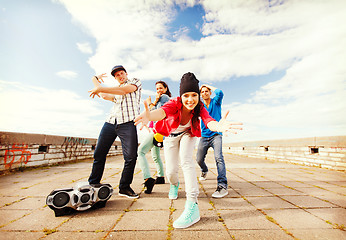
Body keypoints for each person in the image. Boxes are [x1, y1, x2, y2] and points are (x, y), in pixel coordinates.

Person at [134, 72, 242, 228]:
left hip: (188, 133)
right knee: (171, 171)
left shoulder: (199, 106)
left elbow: (208, 120)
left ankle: (192, 205)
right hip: (171, 134)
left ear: (198, 95)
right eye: (186, 95)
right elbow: (162, 112)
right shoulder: (174, 103)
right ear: (181, 96)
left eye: (194, 95)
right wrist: (150, 116)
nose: (190, 99)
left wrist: (218, 126)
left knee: (186, 161)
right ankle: (174, 184)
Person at [88, 65, 142, 199]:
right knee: (99, 153)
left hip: (128, 123)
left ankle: (124, 187)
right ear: (115, 78)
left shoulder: (135, 81)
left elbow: (124, 90)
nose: (120, 76)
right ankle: (93, 183)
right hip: (111, 122)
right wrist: (94, 79)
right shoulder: (115, 91)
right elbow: (104, 95)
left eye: (122, 73)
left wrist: (100, 87)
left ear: (126, 73)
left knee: (130, 157)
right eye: (117, 75)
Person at [138, 81, 172, 194]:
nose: (159, 91)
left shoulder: (164, 97)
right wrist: (153, 103)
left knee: (141, 151)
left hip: (159, 130)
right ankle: (161, 176)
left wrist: (152, 104)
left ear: (166, 88)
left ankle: (148, 179)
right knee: (155, 156)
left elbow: (160, 113)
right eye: (157, 89)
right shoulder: (161, 98)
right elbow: (152, 114)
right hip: (157, 130)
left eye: (161, 88)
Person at [196, 84, 228, 198]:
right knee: (199, 159)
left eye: (206, 91)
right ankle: (204, 170)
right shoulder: (200, 105)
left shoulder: (216, 102)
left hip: (216, 135)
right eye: (202, 92)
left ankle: (222, 185)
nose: (204, 93)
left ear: (210, 92)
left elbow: (220, 92)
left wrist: (207, 85)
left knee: (219, 157)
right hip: (204, 136)